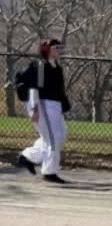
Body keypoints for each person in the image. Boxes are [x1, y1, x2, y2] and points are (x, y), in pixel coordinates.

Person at [15, 38, 71, 183]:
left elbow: (59, 89)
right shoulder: (40, 65)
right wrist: (35, 108)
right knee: (53, 138)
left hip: (55, 106)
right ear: (47, 49)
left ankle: (27, 157)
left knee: (61, 135)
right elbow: (34, 88)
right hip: (43, 104)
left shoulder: (56, 67)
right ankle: (49, 172)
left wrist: (63, 105)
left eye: (60, 48)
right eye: (56, 48)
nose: (59, 51)